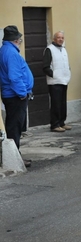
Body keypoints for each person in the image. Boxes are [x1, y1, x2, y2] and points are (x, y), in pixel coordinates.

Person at [0, 25, 34, 167]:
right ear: (17, 40)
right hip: (15, 96)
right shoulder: (12, 53)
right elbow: (14, 77)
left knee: (13, 126)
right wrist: (22, 94)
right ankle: (14, 158)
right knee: (15, 127)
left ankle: (13, 155)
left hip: (11, 94)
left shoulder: (5, 50)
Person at [43, 31, 72, 132]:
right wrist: (54, 75)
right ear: (54, 39)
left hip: (64, 80)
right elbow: (45, 67)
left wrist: (68, 73)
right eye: (59, 38)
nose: (61, 39)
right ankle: (54, 124)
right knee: (56, 104)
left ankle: (62, 122)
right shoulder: (49, 49)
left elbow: (66, 64)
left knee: (63, 103)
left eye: (62, 38)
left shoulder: (63, 50)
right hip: (55, 81)